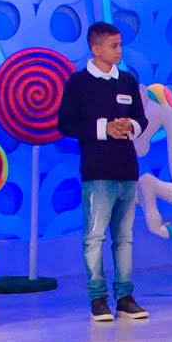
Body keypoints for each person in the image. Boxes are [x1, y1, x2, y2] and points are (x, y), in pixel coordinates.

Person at [56, 21, 149, 324]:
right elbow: (66, 124)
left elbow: (142, 119)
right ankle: (97, 298)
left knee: (124, 237)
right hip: (97, 172)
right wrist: (103, 129)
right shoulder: (78, 83)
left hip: (127, 169)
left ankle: (125, 297)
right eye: (113, 45)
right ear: (95, 48)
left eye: (120, 45)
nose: (119, 50)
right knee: (94, 237)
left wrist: (130, 126)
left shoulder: (128, 81)